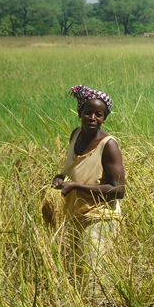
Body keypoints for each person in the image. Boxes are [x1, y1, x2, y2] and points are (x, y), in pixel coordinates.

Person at [52, 85, 126, 295]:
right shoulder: (75, 135)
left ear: (104, 118)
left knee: (95, 279)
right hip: (75, 215)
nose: (92, 117)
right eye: (88, 112)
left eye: (99, 114)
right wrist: (60, 179)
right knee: (77, 275)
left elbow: (118, 189)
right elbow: (70, 171)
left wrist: (76, 187)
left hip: (100, 218)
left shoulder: (108, 145)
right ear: (79, 112)